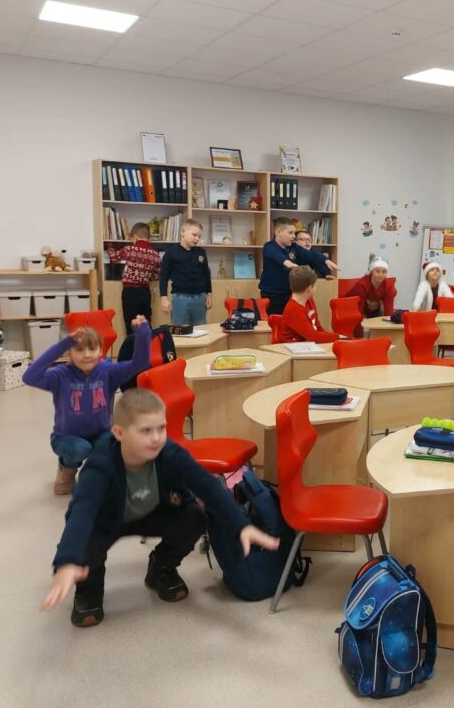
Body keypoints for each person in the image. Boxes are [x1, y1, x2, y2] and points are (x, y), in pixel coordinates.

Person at [39, 389, 279, 627]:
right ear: (119, 433)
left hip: (153, 512)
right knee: (84, 538)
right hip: (107, 521)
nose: (156, 438)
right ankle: (89, 588)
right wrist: (67, 561)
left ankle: (161, 568)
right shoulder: (100, 464)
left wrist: (240, 525)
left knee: (194, 517)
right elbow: (82, 512)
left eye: (161, 428)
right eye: (145, 431)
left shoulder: (169, 452)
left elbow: (207, 486)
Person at [24, 316, 151, 495]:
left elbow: (141, 363)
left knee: (118, 445)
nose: (87, 355)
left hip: (100, 433)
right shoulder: (60, 375)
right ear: (69, 354)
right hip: (66, 437)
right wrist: (62, 344)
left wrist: (143, 333)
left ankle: (97, 475)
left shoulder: (108, 371)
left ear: (100, 351)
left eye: (92, 349)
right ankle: (66, 467)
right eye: (79, 349)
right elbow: (29, 376)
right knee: (81, 449)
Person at [262, 218, 338, 315]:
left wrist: (325, 260)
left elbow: (310, 254)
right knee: (275, 320)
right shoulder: (269, 246)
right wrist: (287, 262)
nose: (293, 236)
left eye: (294, 233)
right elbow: (276, 256)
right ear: (278, 232)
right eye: (290, 233)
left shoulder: (294, 247)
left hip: (290, 293)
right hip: (272, 294)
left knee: (291, 319)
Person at [105, 223, 161, 333]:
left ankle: (132, 344)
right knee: (145, 322)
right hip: (145, 292)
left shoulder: (129, 249)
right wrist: (145, 276)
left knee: (131, 323)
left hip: (130, 292)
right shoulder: (155, 254)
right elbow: (156, 275)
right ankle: (146, 343)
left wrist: (110, 246)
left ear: (135, 237)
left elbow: (114, 258)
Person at [159, 219, 211, 326]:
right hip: (180, 298)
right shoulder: (171, 253)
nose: (197, 239)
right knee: (180, 329)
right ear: (183, 232)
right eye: (194, 235)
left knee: (200, 329)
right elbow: (163, 276)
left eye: (199, 236)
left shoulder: (201, 252)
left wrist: (209, 294)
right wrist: (163, 297)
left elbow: (206, 274)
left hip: (200, 298)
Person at [280, 266, 340, 344]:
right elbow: (313, 336)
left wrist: (331, 338)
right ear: (309, 288)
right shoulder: (293, 309)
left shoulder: (309, 300)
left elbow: (318, 328)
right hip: (295, 348)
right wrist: (338, 337)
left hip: (310, 345)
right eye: (314, 285)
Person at [349, 256, 396, 337]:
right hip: (352, 309)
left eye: (384, 272)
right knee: (359, 333)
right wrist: (359, 336)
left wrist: (388, 332)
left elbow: (388, 310)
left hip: (372, 310)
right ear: (371, 272)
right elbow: (358, 312)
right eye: (377, 271)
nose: (381, 275)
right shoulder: (362, 285)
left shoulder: (388, 286)